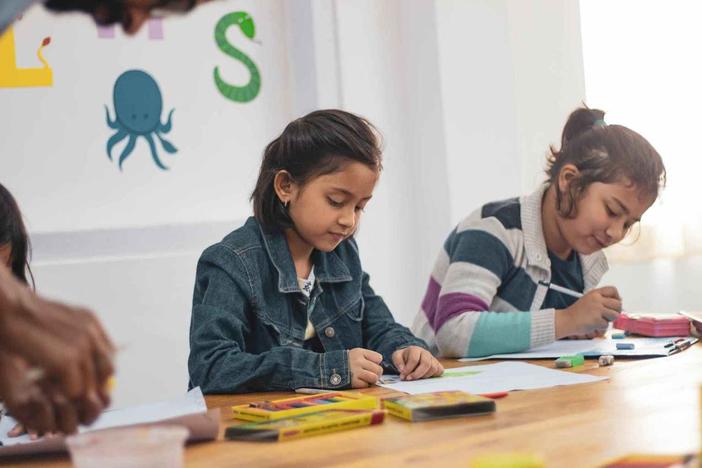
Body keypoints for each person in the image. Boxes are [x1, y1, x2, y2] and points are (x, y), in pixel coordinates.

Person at [188, 109, 443, 393]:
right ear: (286, 186)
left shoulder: (342, 254)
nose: (349, 220)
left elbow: (378, 325)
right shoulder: (231, 262)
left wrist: (405, 349)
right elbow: (211, 367)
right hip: (253, 429)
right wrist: (328, 370)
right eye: (336, 201)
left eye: (359, 207)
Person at [412, 106, 667, 358]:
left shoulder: (583, 259)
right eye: (612, 210)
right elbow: (453, 331)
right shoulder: (493, 229)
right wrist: (567, 320)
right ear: (569, 181)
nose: (616, 232)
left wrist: (577, 328)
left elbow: (531, 332)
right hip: (441, 384)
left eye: (628, 224)